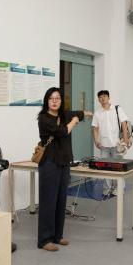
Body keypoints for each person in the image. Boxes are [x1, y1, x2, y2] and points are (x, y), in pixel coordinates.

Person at [36, 87, 89, 251]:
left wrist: (87, 113)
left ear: (61, 101)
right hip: (49, 163)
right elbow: (63, 131)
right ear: (46, 101)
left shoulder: (64, 115)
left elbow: (78, 113)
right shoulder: (43, 119)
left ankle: (57, 236)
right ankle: (44, 240)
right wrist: (74, 121)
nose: (54, 101)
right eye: (51, 98)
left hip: (64, 163)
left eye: (57, 98)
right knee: (48, 201)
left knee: (61, 201)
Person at [91, 89, 130, 198]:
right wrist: (96, 140)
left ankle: (120, 188)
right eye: (100, 97)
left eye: (104, 96)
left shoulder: (117, 109)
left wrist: (125, 137)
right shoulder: (97, 113)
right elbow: (95, 128)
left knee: (119, 167)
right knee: (105, 168)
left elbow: (124, 123)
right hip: (104, 144)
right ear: (98, 100)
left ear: (108, 98)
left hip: (117, 143)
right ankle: (107, 189)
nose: (102, 98)